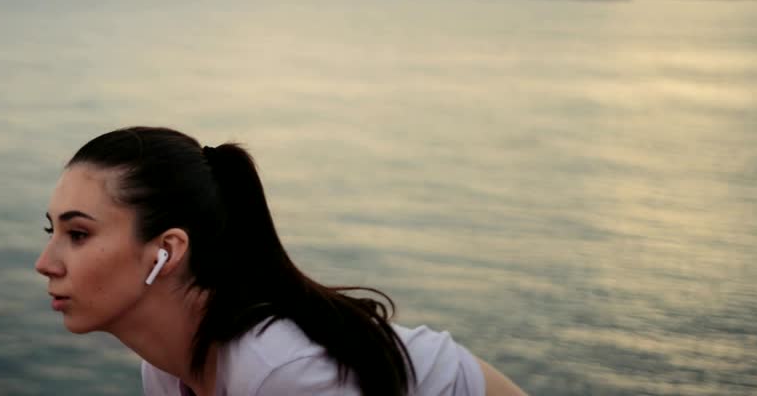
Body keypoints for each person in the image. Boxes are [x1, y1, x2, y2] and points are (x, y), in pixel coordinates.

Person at [35, 126, 529, 396]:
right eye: (51, 230)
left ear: (167, 251)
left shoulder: (278, 371)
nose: (45, 262)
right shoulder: (167, 370)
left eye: (78, 234)